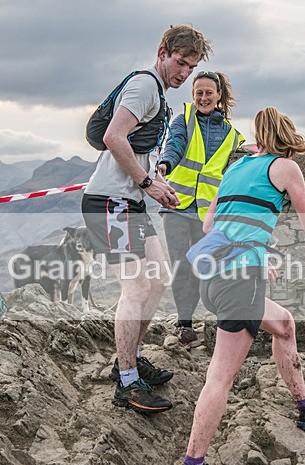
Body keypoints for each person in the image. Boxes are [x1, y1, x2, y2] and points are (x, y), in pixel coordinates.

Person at [174, 107, 305, 465]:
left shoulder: (236, 168)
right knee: (221, 377)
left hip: (213, 277)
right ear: (288, 135)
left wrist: (256, 252)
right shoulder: (284, 167)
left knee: (284, 325)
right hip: (239, 283)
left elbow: (209, 225)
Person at [81, 25, 212, 413]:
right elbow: (113, 138)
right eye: (181, 63)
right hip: (110, 201)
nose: (184, 73)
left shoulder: (158, 93)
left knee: (157, 280)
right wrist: (147, 182)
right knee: (136, 289)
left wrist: (157, 181)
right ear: (163, 52)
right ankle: (126, 381)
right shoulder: (144, 86)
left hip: (129, 201)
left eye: (191, 67)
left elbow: (138, 150)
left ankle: (131, 359)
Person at [158, 71, 243, 348]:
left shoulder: (233, 136)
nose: (204, 98)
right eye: (199, 93)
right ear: (193, 95)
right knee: (181, 264)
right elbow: (175, 145)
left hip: (209, 213)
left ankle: (221, 322)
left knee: (206, 266)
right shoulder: (182, 119)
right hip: (176, 205)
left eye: (209, 93)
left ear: (219, 95)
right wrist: (164, 165)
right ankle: (185, 324)